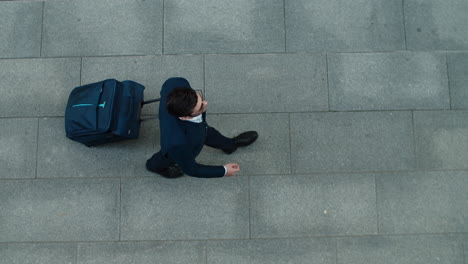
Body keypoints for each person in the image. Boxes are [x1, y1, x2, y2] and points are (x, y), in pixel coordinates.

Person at [146, 77, 258, 178]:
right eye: (200, 107)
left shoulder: (176, 83)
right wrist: (223, 171)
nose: (205, 103)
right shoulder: (178, 143)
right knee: (165, 158)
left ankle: (230, 145)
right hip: (180, 145)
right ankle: (153, 166)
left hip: (200, 128)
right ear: (185, 117)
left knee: (208, 133)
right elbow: (191, 169)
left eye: (200, 97)